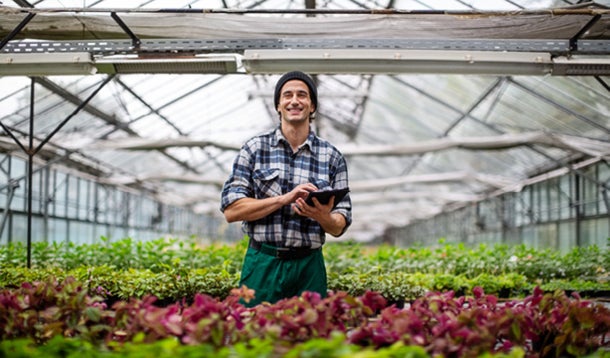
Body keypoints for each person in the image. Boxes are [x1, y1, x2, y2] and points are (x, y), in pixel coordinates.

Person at [220, 70, 352, 307]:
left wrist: (323, 217)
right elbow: (232, 210)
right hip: (262, 262)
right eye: (287, 95)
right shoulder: (254, 149)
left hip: (309, 266)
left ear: (312, 106)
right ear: (278, 105)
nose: (294, 100)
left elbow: (340, 224)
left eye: (302, 95)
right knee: (254, 334)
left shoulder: (332, 157)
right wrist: (284, 199)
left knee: (311, 335)